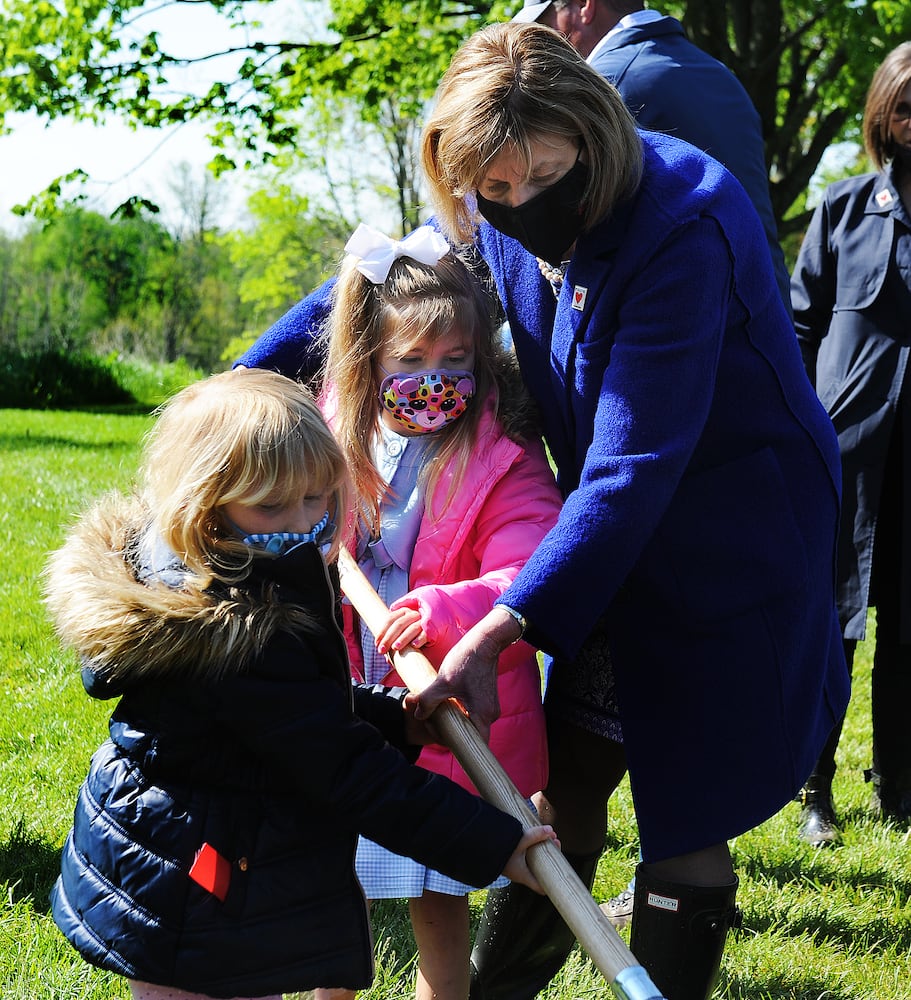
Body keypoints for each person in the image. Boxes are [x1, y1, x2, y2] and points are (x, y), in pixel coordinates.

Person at [235, 23, 849, 999]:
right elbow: (373, 281)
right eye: (495, 191)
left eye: (543, 178)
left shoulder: (681, 223)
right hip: (603, 530)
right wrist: (240, 387)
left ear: (593, 140)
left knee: (686, 797)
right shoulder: (490, 195)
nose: (520, 207)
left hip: (725, 534)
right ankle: (491, 997)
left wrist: (502, 624)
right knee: (562, 778)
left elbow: (635, 461)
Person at [43, 367, 556, 1000]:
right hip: (203, 876)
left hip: (211, 848)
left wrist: (397, 719)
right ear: (203, 505)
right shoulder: (234, 624)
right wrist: (492, 843)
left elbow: (299, 713)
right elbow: (343, 767)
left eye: (317, 496)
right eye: (273, 504)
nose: (304, 518)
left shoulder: (231, 567)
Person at [312, 224, 562, 1000]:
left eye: (455, 360)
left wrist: (445, 609)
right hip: (352, 705)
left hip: (443, 711)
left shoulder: (501, 453)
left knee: (434, 906)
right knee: (329, 897)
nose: (435, 378)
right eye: (411, 361)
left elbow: (529, 568)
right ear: (369, 362)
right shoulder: (333, 439)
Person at [790, 41, 911, 846]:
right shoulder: (841, 209)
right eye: (905, 106)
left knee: (904, 633)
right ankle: (812, 790)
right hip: (841, 458)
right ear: (881, 113)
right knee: (828, 629)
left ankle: (899, 788)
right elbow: (798, 329)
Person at [512, 0, 792, 316]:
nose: (540, 42)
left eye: (545, 24)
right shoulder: (720, 75)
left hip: (679, 332)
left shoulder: (599, 89)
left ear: (584, 6)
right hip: (766, 323)